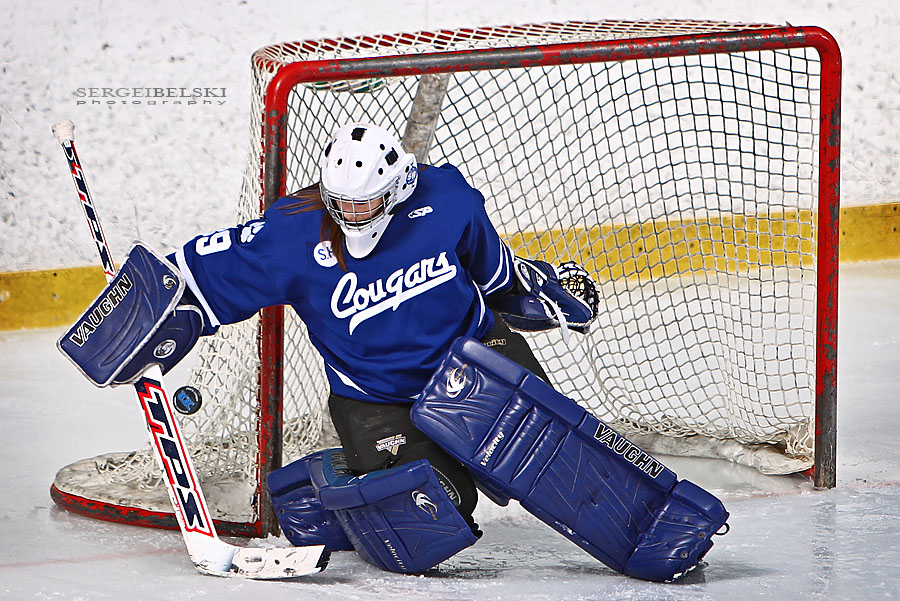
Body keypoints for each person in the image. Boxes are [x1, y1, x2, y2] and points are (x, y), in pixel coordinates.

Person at [170, 122, 596, 537]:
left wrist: (543, 289)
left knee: (550, 453)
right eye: (342, 203)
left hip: (473, 360)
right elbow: (196, 272)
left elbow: (497, 276)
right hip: (374, 399)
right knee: (433, 508)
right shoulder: (291, 233)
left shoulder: (447, 199)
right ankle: (330, 487)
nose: (352, 216)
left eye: (365, 203)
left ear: (395, 190)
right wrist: (142, 304)